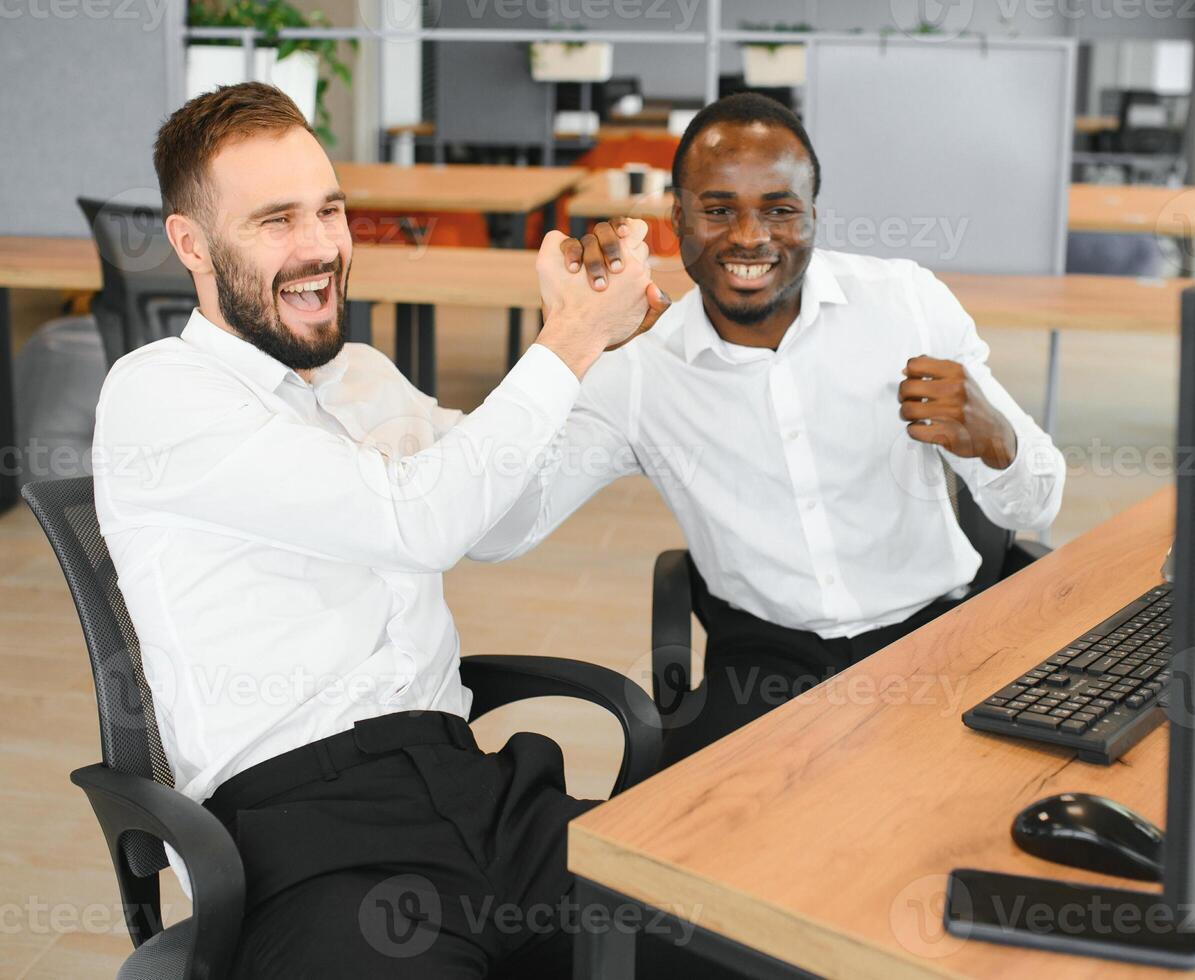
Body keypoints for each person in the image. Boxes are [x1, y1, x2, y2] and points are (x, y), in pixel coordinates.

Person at [93, 82, 670, 977]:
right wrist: (566, 342)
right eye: (276, 220)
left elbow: (499, 519)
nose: (322, 246)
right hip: (312, 837)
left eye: (330, 210)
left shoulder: (360, 375)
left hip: (478, 791)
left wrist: (605, 351)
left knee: (733, 933)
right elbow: (420, 523)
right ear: (190, 244)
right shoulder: (158, 394)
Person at [505, 93, 1067, 763]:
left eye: (779, 209)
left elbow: (1038, 504)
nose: (749, 237)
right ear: (676, 217)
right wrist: (572, 339)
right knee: (702, 844)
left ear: (812, 216)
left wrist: (994, 440)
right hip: (764, 662)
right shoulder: (638, 368)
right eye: (718, 210)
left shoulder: (903, 303)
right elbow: (500, 531)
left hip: (937, 636)